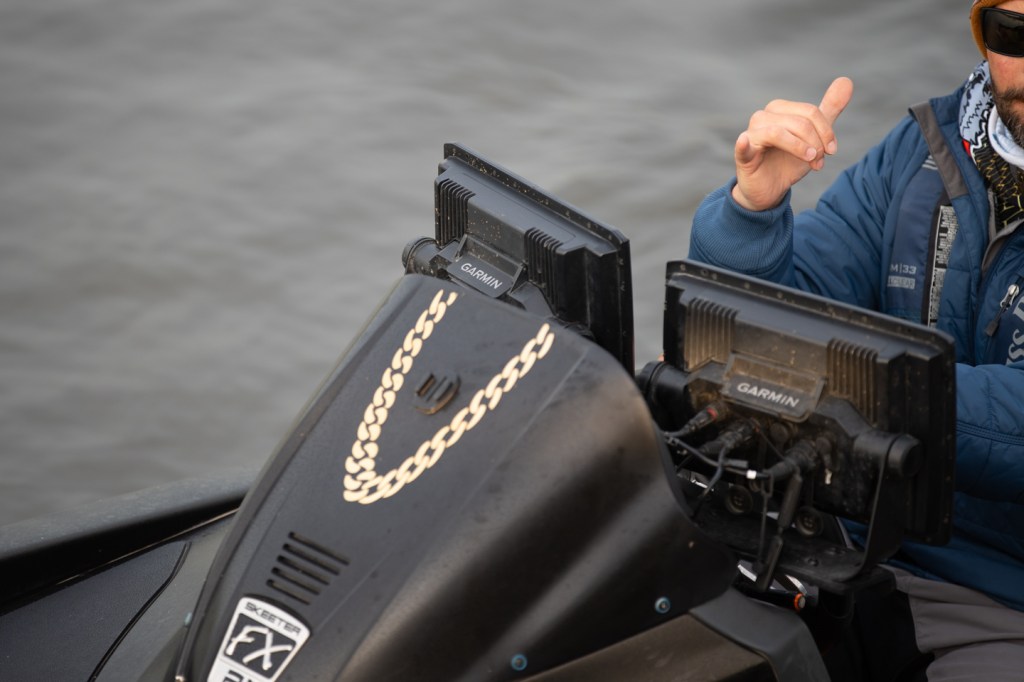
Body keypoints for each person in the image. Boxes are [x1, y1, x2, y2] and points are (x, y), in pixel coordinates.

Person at [689, 1, 1024, 680]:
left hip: (1004, 593)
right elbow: (752, 329)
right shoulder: (924, 150)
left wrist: (873, 391)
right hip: (849, 539)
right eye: (1014, 32)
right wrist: (752, 215)